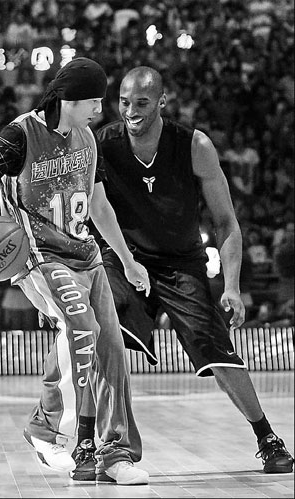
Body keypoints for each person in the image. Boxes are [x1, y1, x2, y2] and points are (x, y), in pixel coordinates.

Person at [71, 66, 294, 480]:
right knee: (102, 337)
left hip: (181, 262)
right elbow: (86, 211)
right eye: (123, 102)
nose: (131, 111)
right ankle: (86, 442)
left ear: (162, 102)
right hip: (123, 259)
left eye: (141, 103)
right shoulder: (99, 143)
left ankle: (267, 437)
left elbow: (227, 222)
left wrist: (232, 287)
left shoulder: (194, 145)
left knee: (215, 345)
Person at [0, 57, 150, 485]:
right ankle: (46, 432)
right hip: (40, 256)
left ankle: (113, 453)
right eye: (95, 101)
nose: (101, 110)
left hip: (86, 254)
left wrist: (126, 257)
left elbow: (99, 205)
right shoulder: (19, 134)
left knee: (112, 351)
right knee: (81, 328)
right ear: (70, 98)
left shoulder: (88, 139)